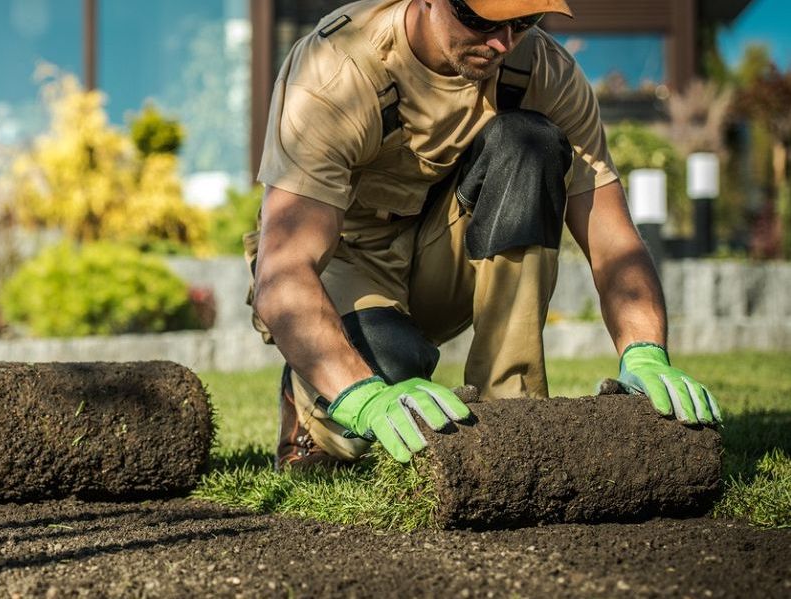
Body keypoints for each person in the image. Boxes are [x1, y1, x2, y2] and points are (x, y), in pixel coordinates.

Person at [246, 0, 722, 471]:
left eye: (524, 22)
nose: (503, 43)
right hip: (347, 264)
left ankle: (511, 416)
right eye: (481, 20)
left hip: (440, 257)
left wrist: (645, 352)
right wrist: (361, 396)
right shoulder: (335, 69)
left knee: (529, 142)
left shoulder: (543, 71)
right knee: (392, 365)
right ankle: (312, 413)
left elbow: (612, 236)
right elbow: (283, 273)